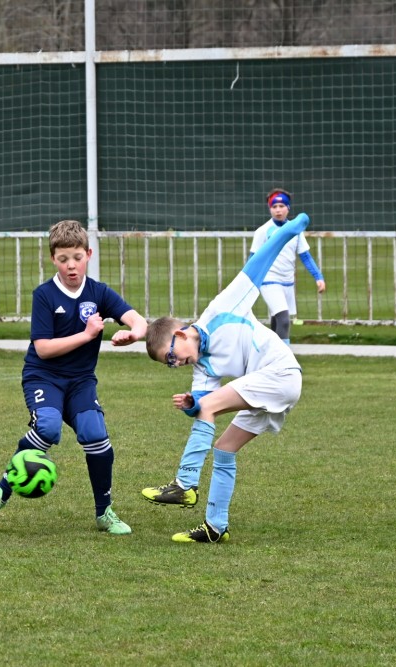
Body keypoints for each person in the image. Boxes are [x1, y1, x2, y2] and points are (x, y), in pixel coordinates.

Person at [141, 213, 310, 543]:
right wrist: (191, 403)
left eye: (171, 356)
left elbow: (259, 262)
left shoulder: (221, 309)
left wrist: (291, 228)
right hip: (264, 385)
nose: (175, 363)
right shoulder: (202, 366)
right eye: (169, 365)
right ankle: (215, 527)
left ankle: (184, 485)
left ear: (180, 334)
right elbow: (203, 404)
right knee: (224, 448)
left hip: (280, 373)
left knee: (211, 409)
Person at [0, 219, 147, 535]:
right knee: (48, 427)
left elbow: (138, 320)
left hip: (81, 381)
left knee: (96, 435)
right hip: (44, 377)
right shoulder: (45, 295)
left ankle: (104, 513)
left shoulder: (98, 292)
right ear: (53, 259)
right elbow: (44, 349)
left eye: (77, 257)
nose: (71, 266)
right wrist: (87, 334)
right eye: (63, 259)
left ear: (88, 254)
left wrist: (133, 334)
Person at [248, 189, 325, 344]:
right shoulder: (263, 231)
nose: (278, 210)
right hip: (269, 281)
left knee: (277, 319)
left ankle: (270, 352)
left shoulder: (295, 230)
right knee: (284, 320)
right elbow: (253, 258)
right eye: (274, 206)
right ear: (269, 208)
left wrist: (318, 277)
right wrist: (248, 283)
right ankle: (284, 355)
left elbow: (305, 255)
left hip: (288, 282)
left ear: (288, 208)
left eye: (282, 206)